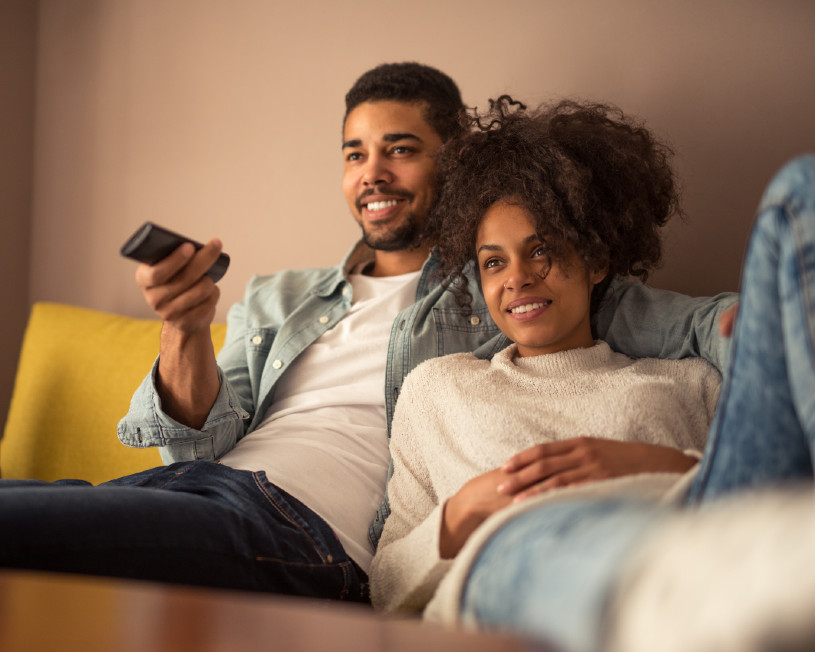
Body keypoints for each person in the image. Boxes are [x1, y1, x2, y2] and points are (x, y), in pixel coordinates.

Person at [0, 64, 734, 601]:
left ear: (457, 157)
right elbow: (193, 442)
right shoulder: (279, 297)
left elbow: (708, 328)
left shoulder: (503, 283)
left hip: (306, 534)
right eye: (355, 153)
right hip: (193, 492)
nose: (372, 172)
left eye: (400, 148)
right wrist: (183, 329)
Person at [370, 98, 815, 651]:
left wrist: (662, 464)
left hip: (700, 522)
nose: (517, 279)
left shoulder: (689, 379)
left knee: (804, 190)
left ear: (596, 261)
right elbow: (384, 587)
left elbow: (740, 490)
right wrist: (462, 513)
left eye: (542, 251)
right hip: (525, 548)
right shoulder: (438, 388)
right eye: (493, 262)